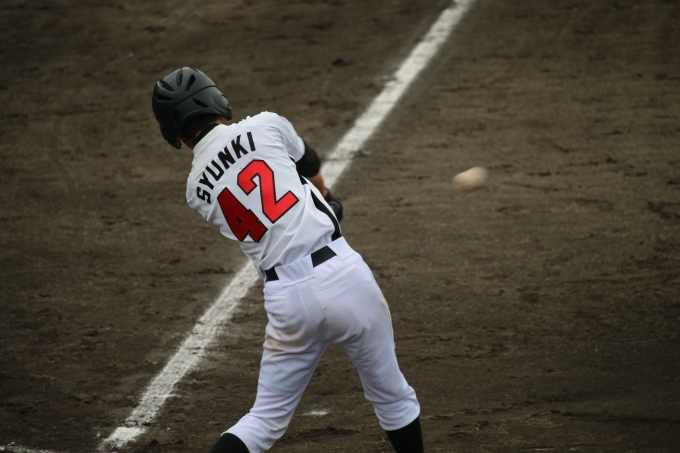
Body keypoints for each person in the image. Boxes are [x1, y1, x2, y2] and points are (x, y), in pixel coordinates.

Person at [151, 67, 423, 453]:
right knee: (393, 398)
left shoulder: (196, 189)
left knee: (263, 420)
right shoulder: (265, 125)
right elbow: (306, 163)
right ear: (215, 100)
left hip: (286, 301)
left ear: (175, 132)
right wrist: (326, 199)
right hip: (343, 277)